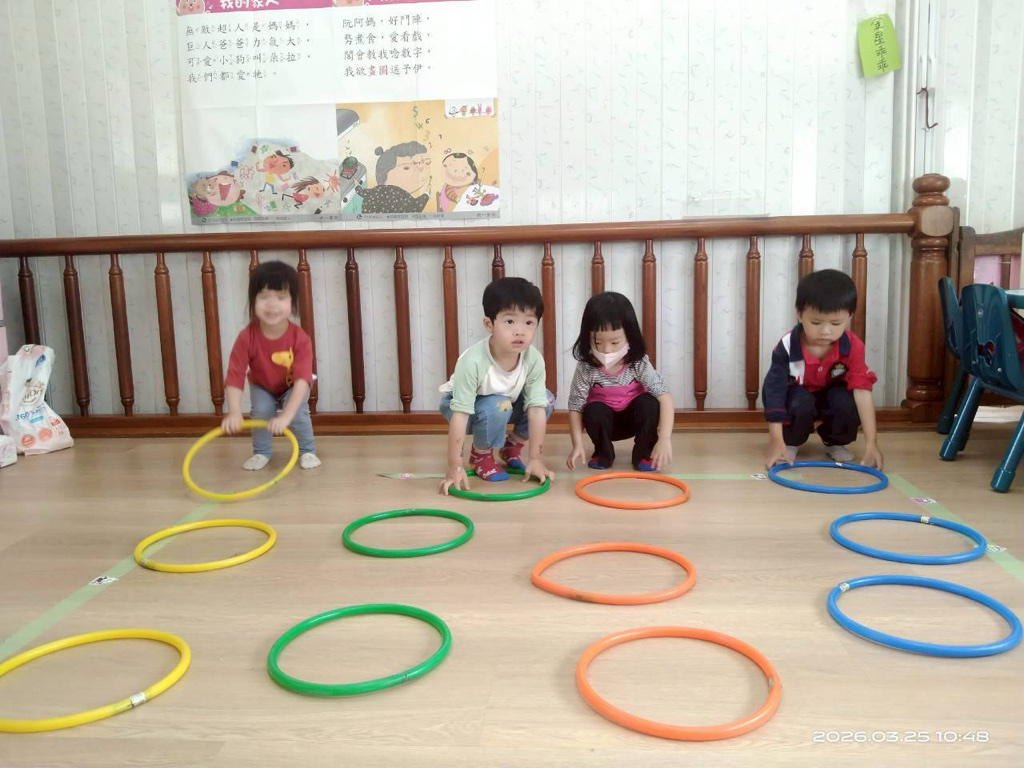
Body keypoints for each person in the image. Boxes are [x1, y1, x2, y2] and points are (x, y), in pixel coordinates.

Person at [438, 277, 555, 494]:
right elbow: (460, 414)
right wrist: (454, 466)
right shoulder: (473, 361)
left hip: (505, 404)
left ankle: (511, 447)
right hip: (463, 409)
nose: (520, 331)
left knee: (545, 399)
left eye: (529, 323)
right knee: (498, 403)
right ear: (489, 324)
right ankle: (480, 455)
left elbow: (537, 409)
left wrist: (536, 459)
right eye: (510, 322)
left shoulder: (533, 359)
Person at [762, 269, 882, 469]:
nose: (826, 331)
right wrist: (776, 440)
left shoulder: (853, 346)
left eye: (836, 323)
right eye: (816, 322)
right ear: (799, 314)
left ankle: (834, 441)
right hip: (799, 397)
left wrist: (872, 443)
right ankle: (789, 442)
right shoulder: (787, 345)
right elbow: (774, 392)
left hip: (831, 396)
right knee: (799, 401)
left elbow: (862, 391)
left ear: (849, 317)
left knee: (845, 401)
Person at [221, 261, 321, 471]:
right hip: (262, 385)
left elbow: (303, 380)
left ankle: (307, 450)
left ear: (292, 303)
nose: (272, 304)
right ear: (253, 300)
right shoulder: (246, 337)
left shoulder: (300, 339)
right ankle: (261, 452)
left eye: (280, 297)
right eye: (264, 296)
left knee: (298, 413)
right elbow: (234, 375)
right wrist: (234, 411)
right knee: (261, 411)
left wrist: (286, 415)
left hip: (293, 385)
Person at [565, 292, 674, 471]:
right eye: (597, 342)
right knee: (593, 410)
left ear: (629, 336)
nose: (606, 350)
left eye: (615, 342)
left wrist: (664, 440)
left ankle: (644, 454)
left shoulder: (638, 363)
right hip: (605, 423)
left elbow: (665, 398)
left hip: (634, 420)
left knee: (649, 403)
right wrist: (577, 445)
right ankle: (603, 453)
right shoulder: (585, 367)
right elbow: (575, 407)